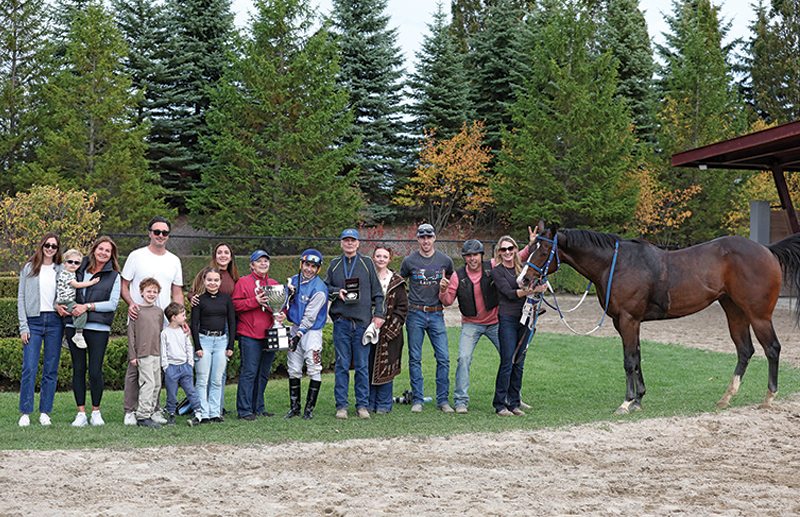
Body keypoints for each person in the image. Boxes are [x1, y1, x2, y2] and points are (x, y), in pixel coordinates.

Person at [120, 216, 184, 426]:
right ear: (149, 233)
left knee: (157, 368)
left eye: (164, 233)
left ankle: (154, 409)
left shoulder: (174, 260)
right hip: (140, 319)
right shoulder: (136, 256)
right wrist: (131, 303)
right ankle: (130, 410)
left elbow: (177, 292)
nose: (160, 236)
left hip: (163, 322)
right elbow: (124, 284)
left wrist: (181, 320)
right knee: (134, 367)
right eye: (156, 232)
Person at [325, 229, 384, 420]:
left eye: (353, 240)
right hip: (341, 322)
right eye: (346, 240)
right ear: (341, 243)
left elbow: (378, 293)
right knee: (342, 365)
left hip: (361, 324)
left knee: (361, 366)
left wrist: (379, 315)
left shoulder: (367, 263)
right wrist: (336, 291)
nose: (349, 244)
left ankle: (362, 406)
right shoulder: (334, 264)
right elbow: (325, 287)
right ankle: (341, 406)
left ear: (358, 243)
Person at [65, 235, 121, 427]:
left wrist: (87, 306)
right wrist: (60, 305)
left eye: (108, 250)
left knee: (95, 371)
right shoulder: (78, 268)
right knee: (78, 369)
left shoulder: (114, 275)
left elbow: (112, 304)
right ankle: (81, 413)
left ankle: (96, 411)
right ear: (94, 249)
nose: (103, 253)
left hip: (99, 328)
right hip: (74, 325)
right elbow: (64, 289)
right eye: (101, 249)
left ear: (111, 255)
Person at [439, 239, 500, 414]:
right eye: (468, 255)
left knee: (510, 358)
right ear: (465, 258)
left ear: (481, 255)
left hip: (495, 322)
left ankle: (513, 397)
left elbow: (514, 257)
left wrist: (530, 245)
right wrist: (443, 290)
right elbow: (447, 302)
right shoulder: (458, 275)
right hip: (471, 324)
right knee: (463, 359)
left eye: (475, 254)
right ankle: (460, 401)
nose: (472, 258)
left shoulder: (493, 266)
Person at [400, 223, 454, 413]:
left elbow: (452, 285)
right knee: (415, 358)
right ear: (418, 239)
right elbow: (399, 284)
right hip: (415, 313)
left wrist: (445, 288)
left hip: (437, 313)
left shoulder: (445, 260)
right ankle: (417, 399)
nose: (425, 241)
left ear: (434, 238)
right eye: (422, 237)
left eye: (428, 237)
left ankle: (443, 401)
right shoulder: (408, 261)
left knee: (444, 358)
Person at [490, 235, 546, 416]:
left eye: (510, 248)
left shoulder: (523, 269)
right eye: (503, 249)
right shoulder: (497, 271)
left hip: (526, 318)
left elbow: (536, 274)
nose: (507, 252)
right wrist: (533, 289)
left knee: (519, 362)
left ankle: (514, 403)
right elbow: (509, 293)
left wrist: (541, 286)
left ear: (515, 249)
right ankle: (500, 404)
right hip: (507, 318)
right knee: (507, 361)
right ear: (498, 252)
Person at [17, 233, 64, 427]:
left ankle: (45, 411)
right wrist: (23, 326)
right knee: (29, 368)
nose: (50, 248)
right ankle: (26, 412)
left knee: (51, 369)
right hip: (33, 322)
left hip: (55, 321)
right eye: (47, 245)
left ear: (57, 249)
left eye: (54, 246)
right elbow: (21, 298)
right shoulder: (29, 268)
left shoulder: (61, 269)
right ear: (41, 245)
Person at [232, 250, 284, 421]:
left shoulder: (274, 283)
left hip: (269, 333)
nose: (263, 264)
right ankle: (244, 410)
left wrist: (282, 314)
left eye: (266, 261)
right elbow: (235, 305)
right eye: (259, 261)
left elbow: (280, 307)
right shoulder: (243, 282)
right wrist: (255, 301)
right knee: (249, 372)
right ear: (251, 264)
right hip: (249, 334)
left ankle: (259, 407)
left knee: (263, 373)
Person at [189, 242, 239, 415]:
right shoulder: (205, 273)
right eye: (219, 252)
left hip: (223, 328)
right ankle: (202, 409)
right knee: (203, 377)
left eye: (226, 252)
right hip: (205, 329)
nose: (223, 255)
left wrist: (231, 344)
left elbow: (234, 312)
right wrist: (192, 298)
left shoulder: (233, 276)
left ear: (231, 256)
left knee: (218, 377)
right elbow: (192, 293)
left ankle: (216, 409)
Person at [283, 249, 328, 420]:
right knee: (293, 368)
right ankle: (294, 408)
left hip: (311, 332)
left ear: (318, 269)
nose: (309, 269)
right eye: (307, 265)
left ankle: (309, 410)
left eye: (313, 266)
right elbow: (285, 303)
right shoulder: (293, 281)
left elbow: (310, 316)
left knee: (313, 367)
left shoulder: (320, 289)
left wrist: (298, 335)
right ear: (301, 264)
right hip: (295, 327)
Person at [367, 245, 408, 414]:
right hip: (368, 329)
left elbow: (403, 307)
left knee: (386, 366)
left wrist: (392, 328)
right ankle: (368, 402)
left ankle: (383, 404)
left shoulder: (396, 281)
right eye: (378, 256)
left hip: (390, 331)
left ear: (389, 259)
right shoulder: (367, 277)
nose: (381, 259)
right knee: (368, 366)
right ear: (373, 257)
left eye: (385, 256)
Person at [127, 278, 165, 428]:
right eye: (149, 291)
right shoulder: (136, 310)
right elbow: (131, 334)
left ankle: (150, 412)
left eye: (155, 292)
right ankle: (142, 416)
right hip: (143, 354)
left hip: (157, 353)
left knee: (156, 384)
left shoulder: (159, 312)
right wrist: (133, 355)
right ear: (141, 292)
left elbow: (160, 332)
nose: (152, 294)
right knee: (147, 383)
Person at [161, 302, 203, 426]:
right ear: (174, 317)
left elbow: (188, 347)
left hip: (185, 367)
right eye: (183, 315)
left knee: (190, 390)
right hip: (171, 368)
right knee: (171, 393)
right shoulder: (165, 333)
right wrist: (166, 367)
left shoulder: (183, 331)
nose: (185, 318)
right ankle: (171, 414)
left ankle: (198, 413)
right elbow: (163, 352)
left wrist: (190, 364)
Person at [56, 249, 99, 349]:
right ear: (64, 263)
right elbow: (77, 285)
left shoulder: (71, 273)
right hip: (66, 302)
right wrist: (92, 282)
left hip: (67, 300)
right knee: (81, 312)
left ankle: (67, 339)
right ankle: (78, 335)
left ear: (79, 265)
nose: (73, 264)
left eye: (76, 263)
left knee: (76, 314)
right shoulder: (66, 274)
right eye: (70, 262)